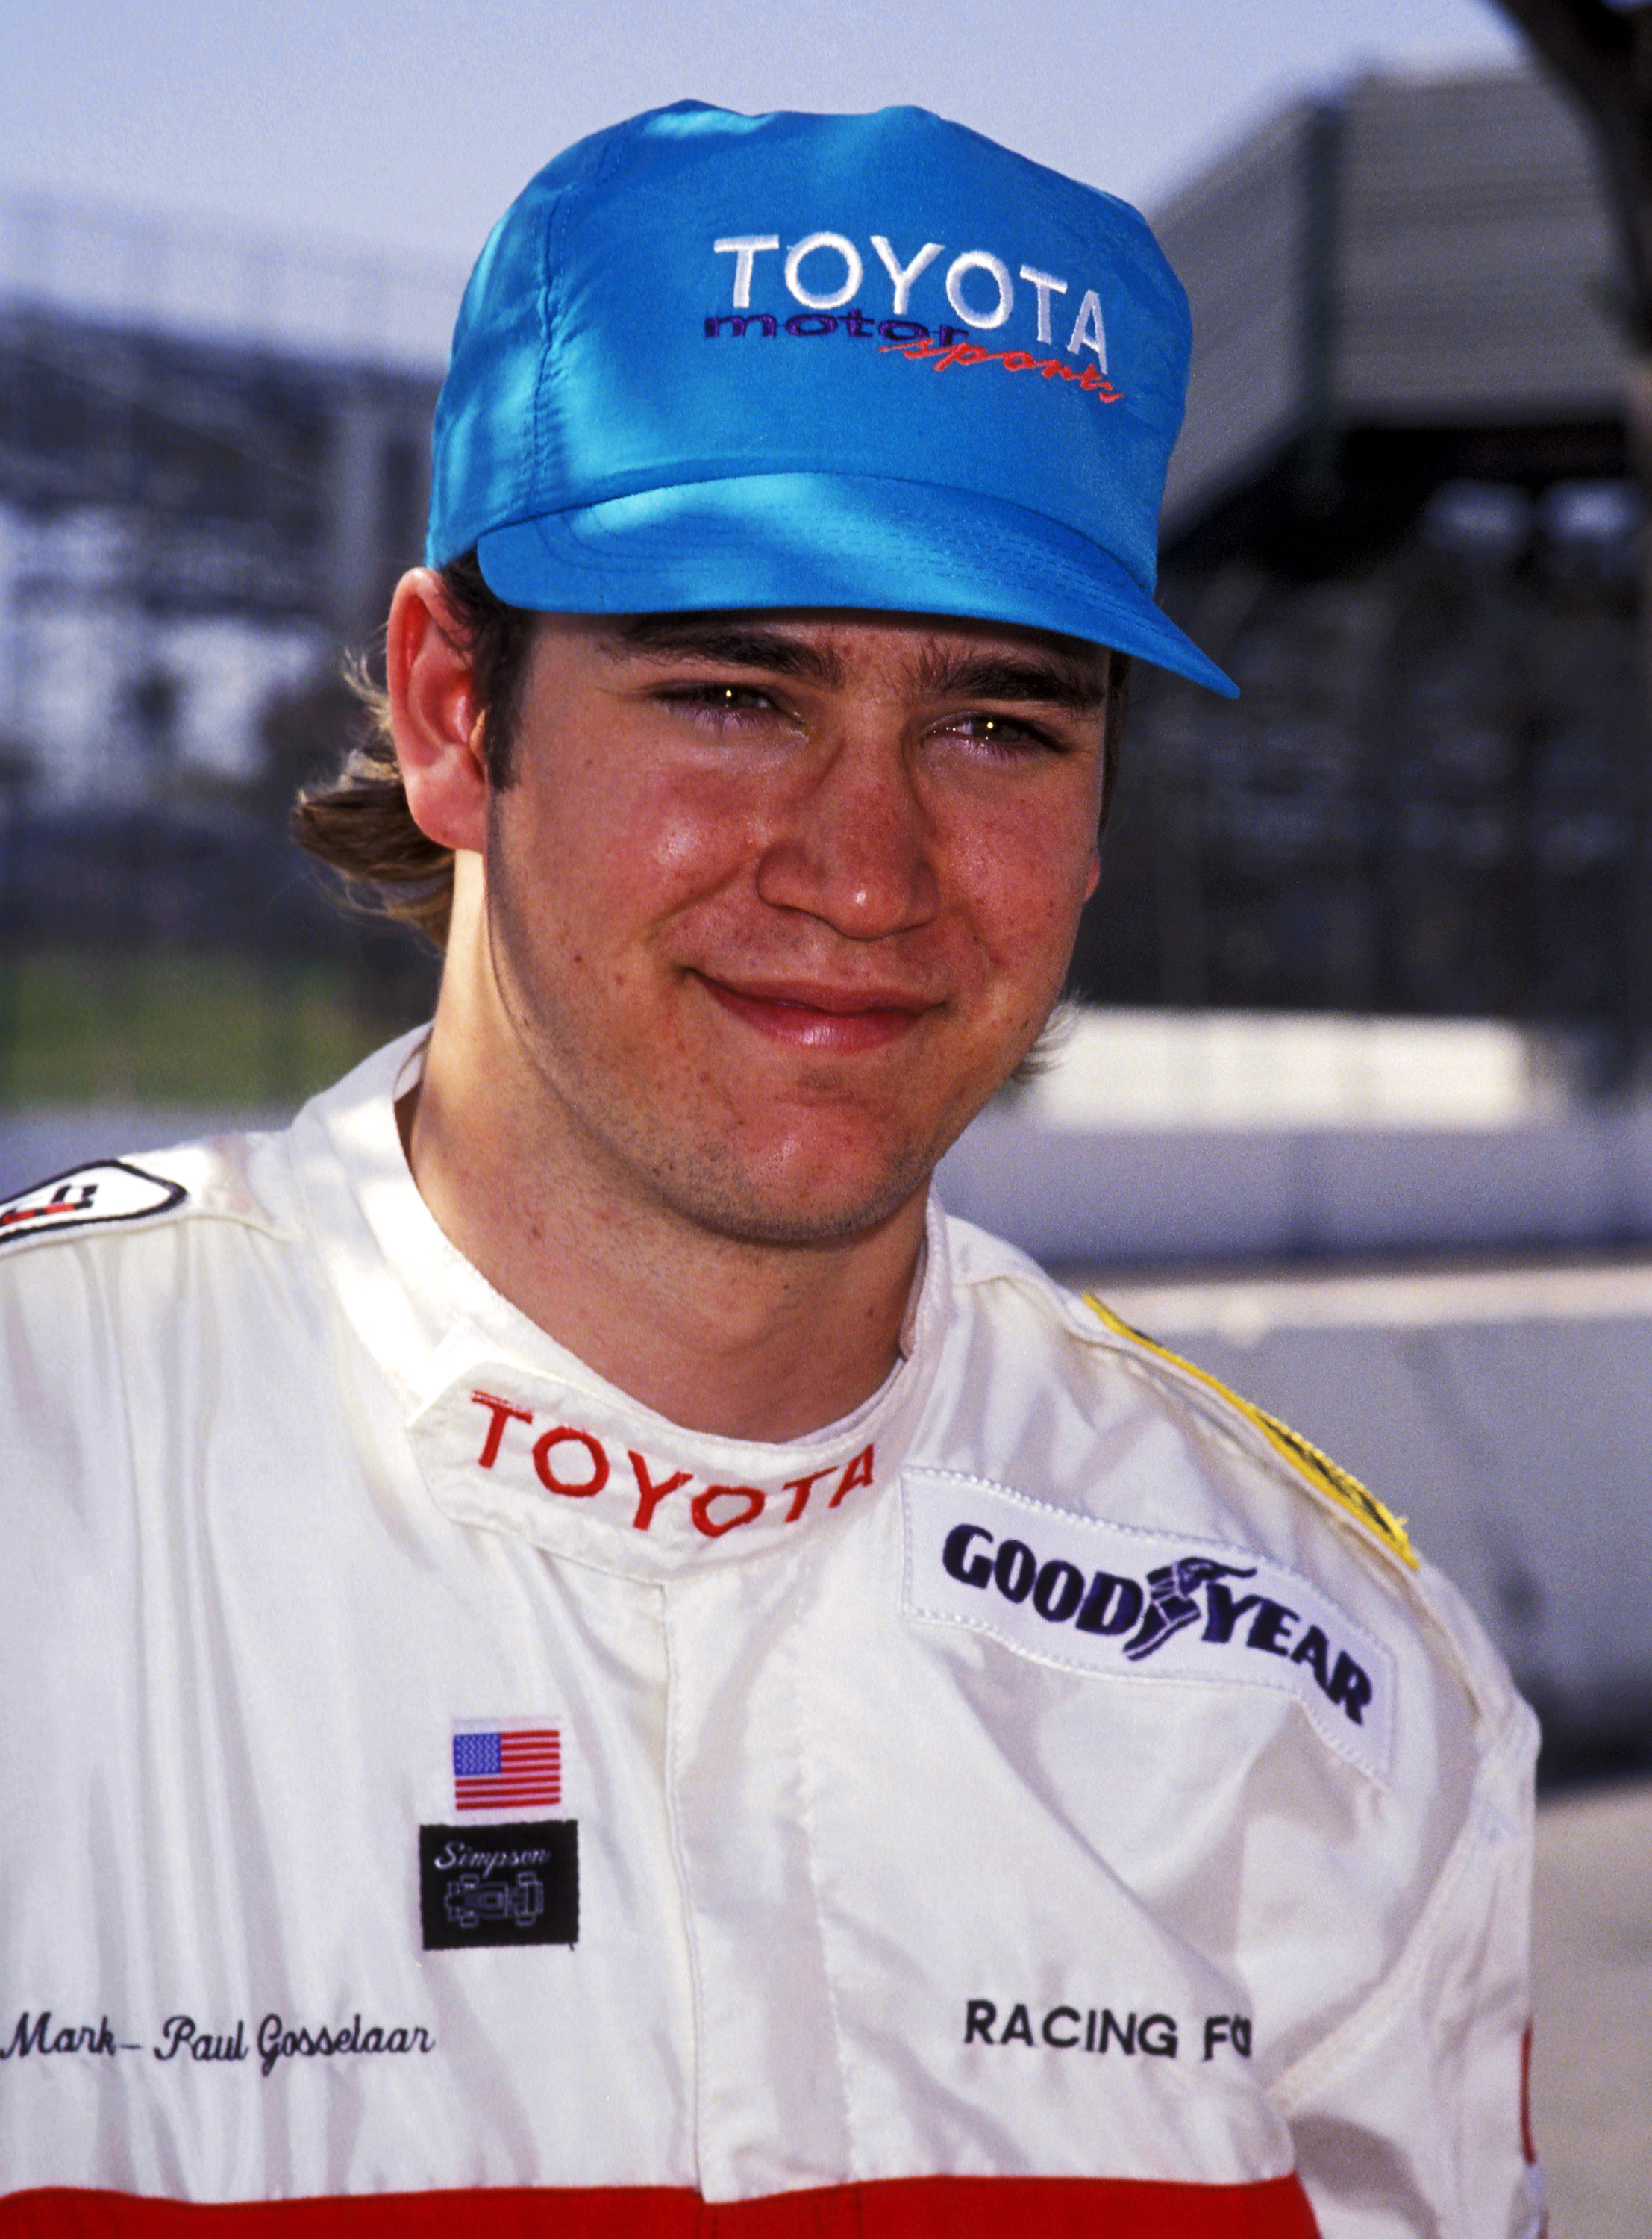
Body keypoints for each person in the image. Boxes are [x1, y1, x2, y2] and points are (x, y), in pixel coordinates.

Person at [0, 102, 1541, 2238]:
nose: (865, 868)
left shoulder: (1336, 1695)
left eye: (999, 724)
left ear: (1099, 809)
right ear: (455, 709)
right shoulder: (40, 1475)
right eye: (735, 692)